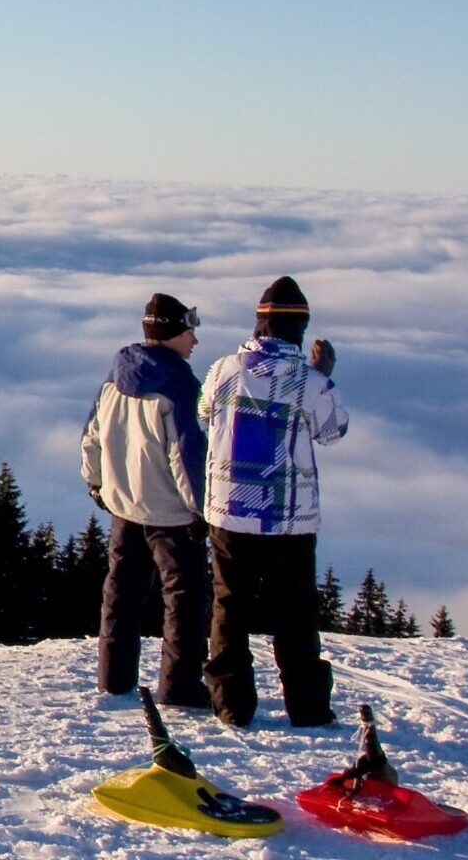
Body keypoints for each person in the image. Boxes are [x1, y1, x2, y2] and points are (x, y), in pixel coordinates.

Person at [199, 275, 349, 728]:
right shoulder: (309, 382)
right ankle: (307, 708)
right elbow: (333, 430)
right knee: (295, 614)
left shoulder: (224, 369)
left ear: (259, 324)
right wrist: (325, 375)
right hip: (290, 519)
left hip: (230, 511)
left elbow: (204, 413)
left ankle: (231, 705)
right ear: (300, 331)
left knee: (230, 605)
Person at [81, 293, 212, 707]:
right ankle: (179, 687)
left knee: (120, 593)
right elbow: (185, 455)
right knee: (185, 601)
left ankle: (113, 680)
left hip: (124, 505)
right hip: (170, 514)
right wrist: (200, 509)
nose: (194, 339)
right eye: (190, 330)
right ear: (173, 332)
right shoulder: (181, 387)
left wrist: (97, 484)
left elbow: (93, 436)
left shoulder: (116, 376)